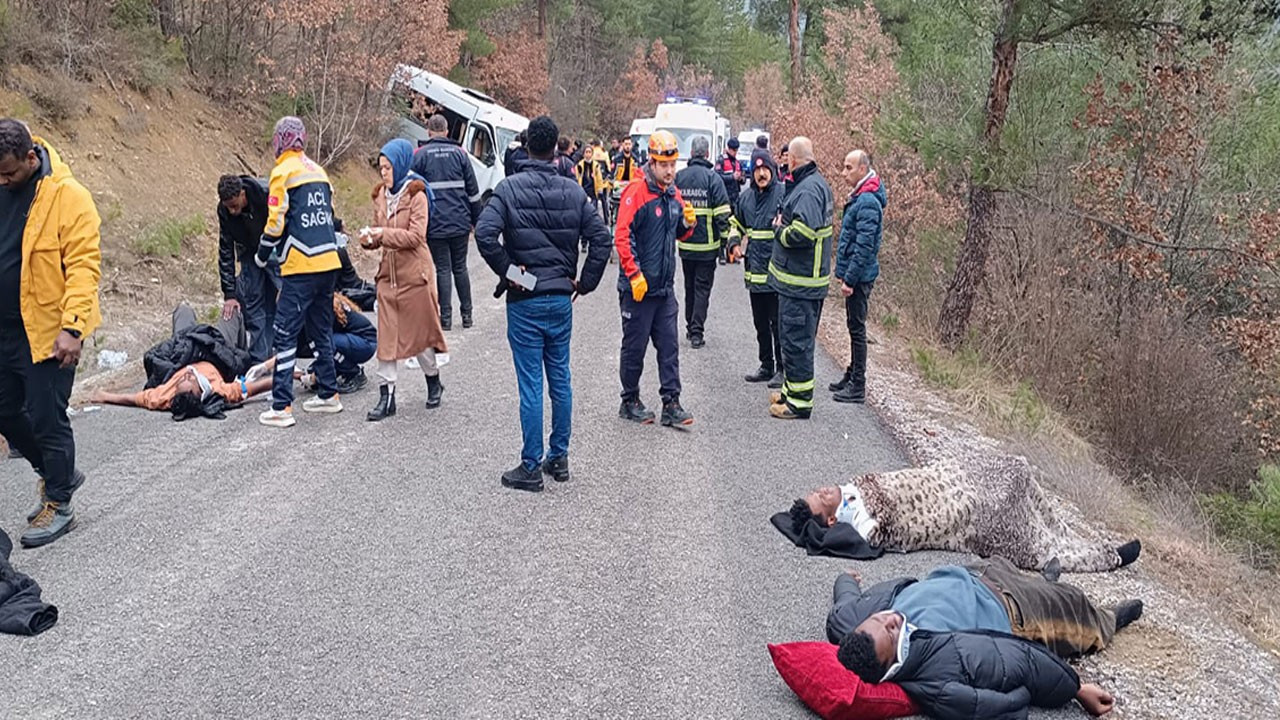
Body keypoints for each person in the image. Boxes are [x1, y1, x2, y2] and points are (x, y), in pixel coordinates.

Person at [474, 115, 611, 492]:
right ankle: (559, 457)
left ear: (527, 146)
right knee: (560, 378)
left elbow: (484, 234)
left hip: (526, 298)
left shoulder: (509, 188)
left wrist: (511, 273)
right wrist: (584, 283)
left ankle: (531, 465)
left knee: (531, 383)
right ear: (556, 149)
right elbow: (602, 240)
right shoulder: (572, 191)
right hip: (560, 296)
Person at [828, 559, 1143, 718]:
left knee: (1007, 564)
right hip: (1016, 608)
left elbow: (844, 607)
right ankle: (1108, 619)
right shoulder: (941, 672)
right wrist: (1076, 688)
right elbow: (1020, 665)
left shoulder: (852, 628)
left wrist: (846, 579)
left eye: (879, 619)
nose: (891, 618)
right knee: (1072, 603)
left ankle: (1044, 582)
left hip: (974, 572)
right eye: (891, 631)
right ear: (890, 662)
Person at [0, 118, 100, 548]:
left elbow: (83, 266)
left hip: (48, 330)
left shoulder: (67, 197)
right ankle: (57, 473)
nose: (3, 181)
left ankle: (59, 503)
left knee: (46, 417)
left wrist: (73, 327)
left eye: (9, 173)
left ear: (30, 157)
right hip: (5, 327)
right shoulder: (1, 184)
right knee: (5, 411)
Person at [790, 454, 1143, 572]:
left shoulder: (853, 486)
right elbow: (880, 535)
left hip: (949, 477)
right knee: (1024, 541)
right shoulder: (865, 525)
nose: (824, 489)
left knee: (1016, 469)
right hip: (960, 512)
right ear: (832, 519)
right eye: (822, 499)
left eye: (818, 490)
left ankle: (1065, 532)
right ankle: (1103, 557)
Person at [255, 116, 344, 427]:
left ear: (281, 139)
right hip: (329, 262)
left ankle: (281, 406)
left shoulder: (283, 172)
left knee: (285, 332)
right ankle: (329, 394)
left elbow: (276, 219)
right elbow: (330, 218)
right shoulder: (319, 171)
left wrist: (263, 251)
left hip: (301, 265)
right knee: (321, 329)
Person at [615, 130, 697, 428]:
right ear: (652, 162)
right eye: (664, 165)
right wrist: (634, 274)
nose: (670, 170)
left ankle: (671, 403)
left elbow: (677, 235)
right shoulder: (636, 192)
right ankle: (629, 399)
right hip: (638, 289)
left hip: (664, 289)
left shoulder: (673, 194)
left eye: (673, 164)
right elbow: (622, 237)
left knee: (669, 346)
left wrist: (687, 224)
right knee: (634, 347)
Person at [365, 139, 449, 421]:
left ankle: (433, 379)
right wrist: (369, 240)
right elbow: (378, 232)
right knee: (386, 336)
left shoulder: (417, 194)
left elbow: (416, 236)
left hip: (415, 275)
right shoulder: (379, 195)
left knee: (420, 335)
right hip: (388, 277)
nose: (384, 174)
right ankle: (386, 396)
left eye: (388, 168)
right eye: (381, 168)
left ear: (400, 164)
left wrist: (382, 235)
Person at [92, 303, 268, 415]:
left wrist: (105, 396)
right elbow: (255, 388)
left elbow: (133, 399)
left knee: (183, 310)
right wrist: (287, 374)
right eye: (191, 379)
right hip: (218, 352)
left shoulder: (164, 396)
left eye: (181, 380)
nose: (188, 374)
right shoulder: (219, 391)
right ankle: (242, 346)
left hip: (186, 350)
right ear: (201, 392)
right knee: (233, 311)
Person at [768, 137, 834, 420]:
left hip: (801, 282)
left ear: (793, 160)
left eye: (787, 159)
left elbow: (803, 234)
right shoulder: (812, 184)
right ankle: (790, 390)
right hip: (799, 281)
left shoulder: (808, 190)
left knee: (797, 342)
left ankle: (799, 402)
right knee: (792, 339)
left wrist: (780, 231)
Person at [411, 114, 481, 331]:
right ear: (448, 130)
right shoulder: (460, 154)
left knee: (442, 268)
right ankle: (467, 315)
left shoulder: (420, 155)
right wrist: (477, 221)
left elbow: (412, 191)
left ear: (429, 131)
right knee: (460, 267)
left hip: (435, 223)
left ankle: (446, 319)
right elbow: (474, 192)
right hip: (460, 220)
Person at [831, 150, 886, 404]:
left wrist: (850, 279)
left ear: (863, 169)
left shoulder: (867, 202)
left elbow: (864, 246)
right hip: (856, 274)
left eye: (849, 168)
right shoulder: (861, 197)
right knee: (853, 326)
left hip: (860, 277)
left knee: (857, 328)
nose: (844, 173)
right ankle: (852, 373)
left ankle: (858, 385)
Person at [673, 135, 731, 349]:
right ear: (707, 154)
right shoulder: (713, 179)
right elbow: (723, 214)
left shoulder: (680, 177)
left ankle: (690, 327)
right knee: (702, 288)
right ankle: (697, 331)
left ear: (692, 153)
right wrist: (726, 243)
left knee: (689, 287)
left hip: (686, 246)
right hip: (708, 248)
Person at [734, 148, 785, 388]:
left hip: (776, 275)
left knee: (778, 324)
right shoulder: (746, 199)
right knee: (760, 323)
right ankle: (766, 364)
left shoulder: (783, 195)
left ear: (773, 170)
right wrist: (733, 243)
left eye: (765, 169)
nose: (761, 174)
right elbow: (736, 224)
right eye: (757, 170)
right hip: (755, 273)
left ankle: (783, 368)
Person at [217, 173, 280, 363]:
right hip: (249, 254)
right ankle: (260, 359)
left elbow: (286, 223)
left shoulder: (265, 194)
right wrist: (230, 294)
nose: (233, 211)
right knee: (254, 304)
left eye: (235, 206)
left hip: (275, 249)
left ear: (243, 194)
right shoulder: (224, 211)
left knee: (285, 299)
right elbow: (225, 249)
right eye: (229, 208)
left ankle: (286, 351)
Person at [295, 292, 376, 395]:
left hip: (366, 342)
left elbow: (323, 345)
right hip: (353, 339)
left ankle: (354, 372)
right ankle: (342, 370)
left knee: (324, 343)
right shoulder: (319, 301)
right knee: (315, 368)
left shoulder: (320, 309)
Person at [715, 137, 743, 264]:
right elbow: (717, 177)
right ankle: (721, 254)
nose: (734, 153)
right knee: (723, 227)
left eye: (736, 150)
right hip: (723, 198)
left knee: (733, 227)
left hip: (734, 199)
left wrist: (740, 178)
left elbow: (742, 179)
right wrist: (732, 177)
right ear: (728, 148)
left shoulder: (737, 162)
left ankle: (732, 254)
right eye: (732, 150)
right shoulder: (721, 160)